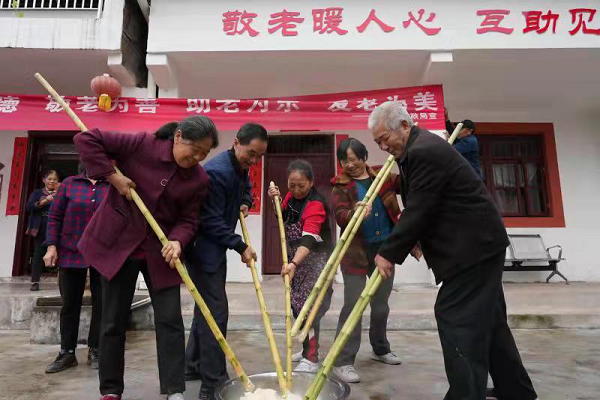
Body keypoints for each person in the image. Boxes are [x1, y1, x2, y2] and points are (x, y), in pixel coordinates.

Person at [370, 101, 538, 400]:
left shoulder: (424, 152)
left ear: (405, 126)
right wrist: (417, 243)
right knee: (490, 320)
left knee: (454, 316)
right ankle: (517, 390)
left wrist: (388, 251)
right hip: (478, 244)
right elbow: (431, 204)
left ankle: (465, 394)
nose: (383, 146)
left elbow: (419, 208)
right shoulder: (418, 150)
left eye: (385, 138)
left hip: (474, 249)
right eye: (378, 142)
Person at [74, 115, 217, 400]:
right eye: (195, 149)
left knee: (170, 321)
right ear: (178, 137)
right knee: (112, 321)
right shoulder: (142, 144)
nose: (198, 157)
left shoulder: (199, 179)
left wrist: (178, 240)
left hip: (160, 252)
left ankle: (174, 389)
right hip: (120, 246)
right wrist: (113, 178)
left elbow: (190, 219)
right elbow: (86, 139)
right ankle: (111, 390)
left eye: (205, 153)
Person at [185, 122, 268, 400]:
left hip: (215, 249)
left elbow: (245, 185)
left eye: (259, 156)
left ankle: (193, 364)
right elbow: (210, 220)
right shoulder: (217, 172)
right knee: (216, 313)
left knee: (206, 308)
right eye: (251, 153)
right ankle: (213, 382)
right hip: (203, 249)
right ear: (236, 142)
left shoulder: (239, 166)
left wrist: (245, 200)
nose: (253, 160)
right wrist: (241, 245)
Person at [330, 138, 421, 383]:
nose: (348, 165)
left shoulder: (383, 178)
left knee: (380, 305)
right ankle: (343, 361)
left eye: (352, 159)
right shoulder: (340, 186)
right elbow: (340, 216)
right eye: (343, 160)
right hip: (355, 253)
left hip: (385, 250)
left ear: (364, 157)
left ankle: (380, 348)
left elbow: (410, 183)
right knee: (353, 305)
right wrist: (353, 213)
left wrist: (410, 158)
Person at [268, 159, 334, 374]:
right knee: (297, 306)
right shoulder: (290, 196)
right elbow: (283, 217)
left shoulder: (315, 203)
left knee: (310, 308)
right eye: (291, 185)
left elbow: (308, 238)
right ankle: (307, 349)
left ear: (311, 182)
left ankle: (312, 359)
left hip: (315, 262)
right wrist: (275, 201)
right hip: (296, 262)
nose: (296, 190)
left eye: (301, 186)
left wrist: (294, 262)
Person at [43, 162, 109, 373]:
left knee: (102, 303)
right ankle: (67, 352)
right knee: (70, 304)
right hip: (71, 250)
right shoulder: (69, 184)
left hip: (103, 252)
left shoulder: (111, 184)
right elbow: (54, 217)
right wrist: (52, 246)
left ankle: (96, 349)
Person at [25, 169, 60, 291]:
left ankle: (62, 281)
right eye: (49, 179)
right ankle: (35, 281)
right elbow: (29, 207)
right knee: (38, 254)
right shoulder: (37, 193)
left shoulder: (61, 193)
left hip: (57, 227)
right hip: (41, 227)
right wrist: (45, 201)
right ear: (44, 180)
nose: (52, 181)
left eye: (54, 179)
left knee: (60, 253)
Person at [445, 107, 482, 178]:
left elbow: (452, 150)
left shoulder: (470, 141)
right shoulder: (465, 139)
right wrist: (447, 120)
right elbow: (453, 135)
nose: (457, 131)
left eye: (460, 129)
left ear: (469, 131)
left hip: (471, 178)